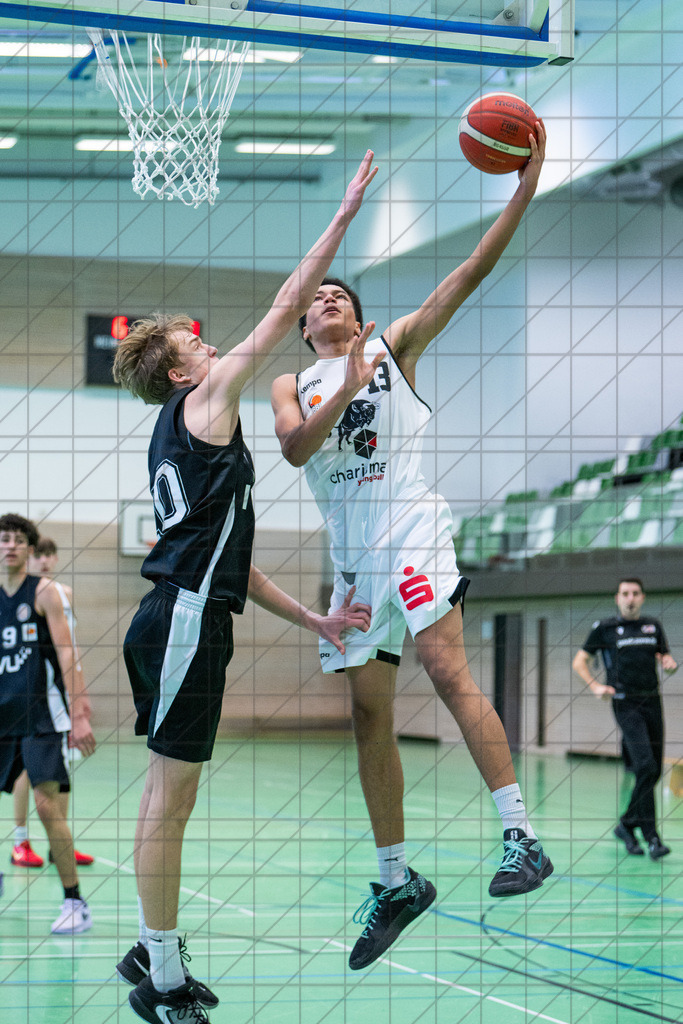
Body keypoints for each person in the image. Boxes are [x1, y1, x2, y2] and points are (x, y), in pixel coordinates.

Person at [271, 124, 552, 970]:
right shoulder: (295, 382)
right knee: (366, 717)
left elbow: (469, 273)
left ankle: (520, 836)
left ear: (357, 313)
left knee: (446, 667)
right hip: (351, 560)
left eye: (338, 294)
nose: (325, 299)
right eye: (314, 298)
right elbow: (292, 448)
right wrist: (344, 387)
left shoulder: (393, 349)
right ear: (306, 328)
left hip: (411, 529)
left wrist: (523, 189)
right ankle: (396, 881)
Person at [112, 153, 377, 1024]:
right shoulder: (211, 395)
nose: (209, 340)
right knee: (171, 798)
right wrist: (342, 215)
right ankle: (160, 973)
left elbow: (235, 559)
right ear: (186, 370)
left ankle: (152, 948)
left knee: (167, 793)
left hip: (183, 610)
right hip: (184, 618)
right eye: (194, 342)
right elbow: (279, 305)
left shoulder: (171, 431)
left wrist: (315, 616)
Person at [0, 513, 96, 934]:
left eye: (19, 540)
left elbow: (67, 653)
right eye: (4, 540)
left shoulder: (46, 594)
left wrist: (79, 713)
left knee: (45, 805)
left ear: (29, 549)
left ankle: (74, 901)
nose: (11, 546)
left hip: (40, 715)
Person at [573, 577, 677, 859]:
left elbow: (664, 657)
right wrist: (595, 686)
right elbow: (579, 661)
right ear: (617, 598)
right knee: (645, 765)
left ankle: (627, 826)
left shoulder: (653, 626)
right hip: (624, 703)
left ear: (642, 597)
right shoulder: (605, 629)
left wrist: (669, 663)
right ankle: (651, 837)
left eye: (635, 593)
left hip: (652, 702)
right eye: (625, 593)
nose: (630, 598)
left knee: (653, 769)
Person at [10, 536, 94, 869]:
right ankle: (20, 841)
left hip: (60, 694)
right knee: (25, 770)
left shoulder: (64, 595)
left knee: (61, 769)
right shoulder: (26, 597)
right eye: (38, 555)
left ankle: (60, 843)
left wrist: (79, 696)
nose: (44, 560)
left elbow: (69, 647)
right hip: (31, 694)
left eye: (49, 554)